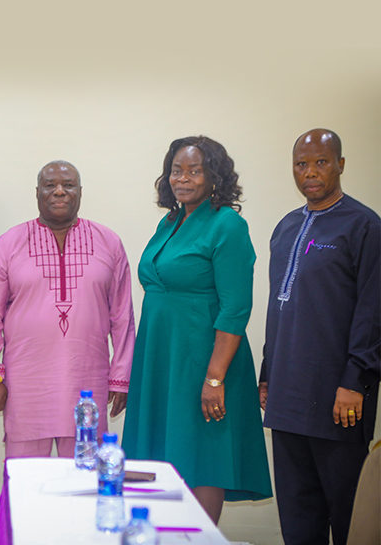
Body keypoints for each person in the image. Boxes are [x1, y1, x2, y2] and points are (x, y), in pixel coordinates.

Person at [122, 136, 271, 524]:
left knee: (203, 453)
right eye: (176, 170)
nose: (182, 178)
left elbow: (236, 307)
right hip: (161, 357)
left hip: (205, 360)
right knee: (165, 450)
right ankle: (163, 532)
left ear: (214, 176)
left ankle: (196, 536)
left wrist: (216, 378)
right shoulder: (169, 222)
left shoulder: (228, 225)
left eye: (194, 170)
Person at [259, 129, 379, 545]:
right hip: (287, 398)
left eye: (321, 162)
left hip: (338, 399)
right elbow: (279, 306)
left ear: (341, 165)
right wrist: (267, 373)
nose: (310, 172)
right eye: (301, 164)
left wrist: (355, 380)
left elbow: (373, 312)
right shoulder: (286, 227)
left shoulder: (365, 226)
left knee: (348, 517)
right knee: (298, 516)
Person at [0, 160, 135, 458]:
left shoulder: (108, 242)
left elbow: (123, 316)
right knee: (25, 484)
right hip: (25, 385)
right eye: (50, 185)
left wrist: (121, 376)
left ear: (80, 192)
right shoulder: (9, 244)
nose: (59, 191)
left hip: (88, 382)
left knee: (83, 483)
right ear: (37, 193)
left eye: (68, 185)